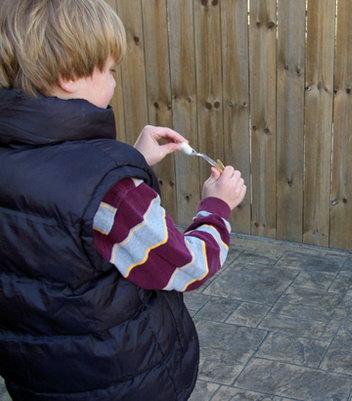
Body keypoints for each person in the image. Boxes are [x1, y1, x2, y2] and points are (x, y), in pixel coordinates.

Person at [0, 1, 246, 400]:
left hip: (37, 378)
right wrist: (217, 207)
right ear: (68, 76)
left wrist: (133, 159)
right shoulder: (112, 193)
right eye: (110, 70)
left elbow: (57, 202)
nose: (114, 82)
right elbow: (188, 266)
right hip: (120, 381)